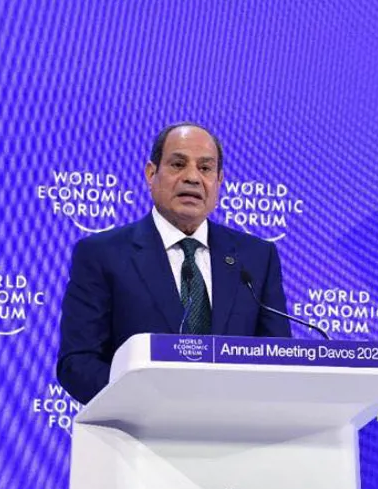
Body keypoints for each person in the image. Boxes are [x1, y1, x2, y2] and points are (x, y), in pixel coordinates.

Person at [56, 123, 291, 404]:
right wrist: (150, 406)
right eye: (178, 164)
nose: (192, 177)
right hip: (139, 425)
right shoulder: (102, 254)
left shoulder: (256, 257)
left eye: (205, 168)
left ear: (219, 181)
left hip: (234, 425)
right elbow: (78, 362)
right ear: (151, 173)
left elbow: (279, 359)